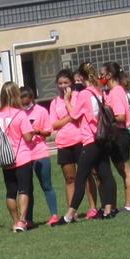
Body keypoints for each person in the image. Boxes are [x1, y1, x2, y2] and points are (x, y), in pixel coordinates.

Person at [58, 65, 117, 221]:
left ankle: (69, 214)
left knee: (80, 178)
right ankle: (108, 209)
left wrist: (67, 100)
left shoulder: (84, 94)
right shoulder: (99, 91)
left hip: (90, 140)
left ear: (82, 78)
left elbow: (75, 114)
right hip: (103, 139)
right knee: (106, 175)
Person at [0, 82, 36, 232]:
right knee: (24, 190)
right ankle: (23, 221)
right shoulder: (20, 114)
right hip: (22, 156)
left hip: (6, 158)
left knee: (10, 192)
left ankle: (15, 221)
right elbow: (28, 137)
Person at [48, 71, 89, 220]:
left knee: (87, 176)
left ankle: (92, 208)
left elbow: (80, 117)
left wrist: (68, 102)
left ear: (72, 82)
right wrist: (70, 117)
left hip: (81, 140)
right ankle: (73, 212)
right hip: (64, 143)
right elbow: (54, 124)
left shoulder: (79, 97)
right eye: (60, 83)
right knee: (70, 179)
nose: (63, 86)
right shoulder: (54, 103)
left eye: (66, 82)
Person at [20, 85, 62, 226]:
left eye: (27, 102)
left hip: (40, 152)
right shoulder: (18, 113)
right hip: (24, 155)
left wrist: (37, 132)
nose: (25, 105)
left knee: (46, 185)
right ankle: (28, 219)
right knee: (27, 188)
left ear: (32, 99)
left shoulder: (41, 111)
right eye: (22, 103)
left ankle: (54, 215)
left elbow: (48, 131)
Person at [100, 62, 130, 214]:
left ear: (109, 75)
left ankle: (129, 206)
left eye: (102, 74)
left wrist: (108, 117)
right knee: (122, 171)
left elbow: (121, 116)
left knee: (126, 171)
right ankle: (124, 205)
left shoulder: (116, 91)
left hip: (120, 135)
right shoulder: (113, 91)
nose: (100, 77)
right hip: (115, 135)